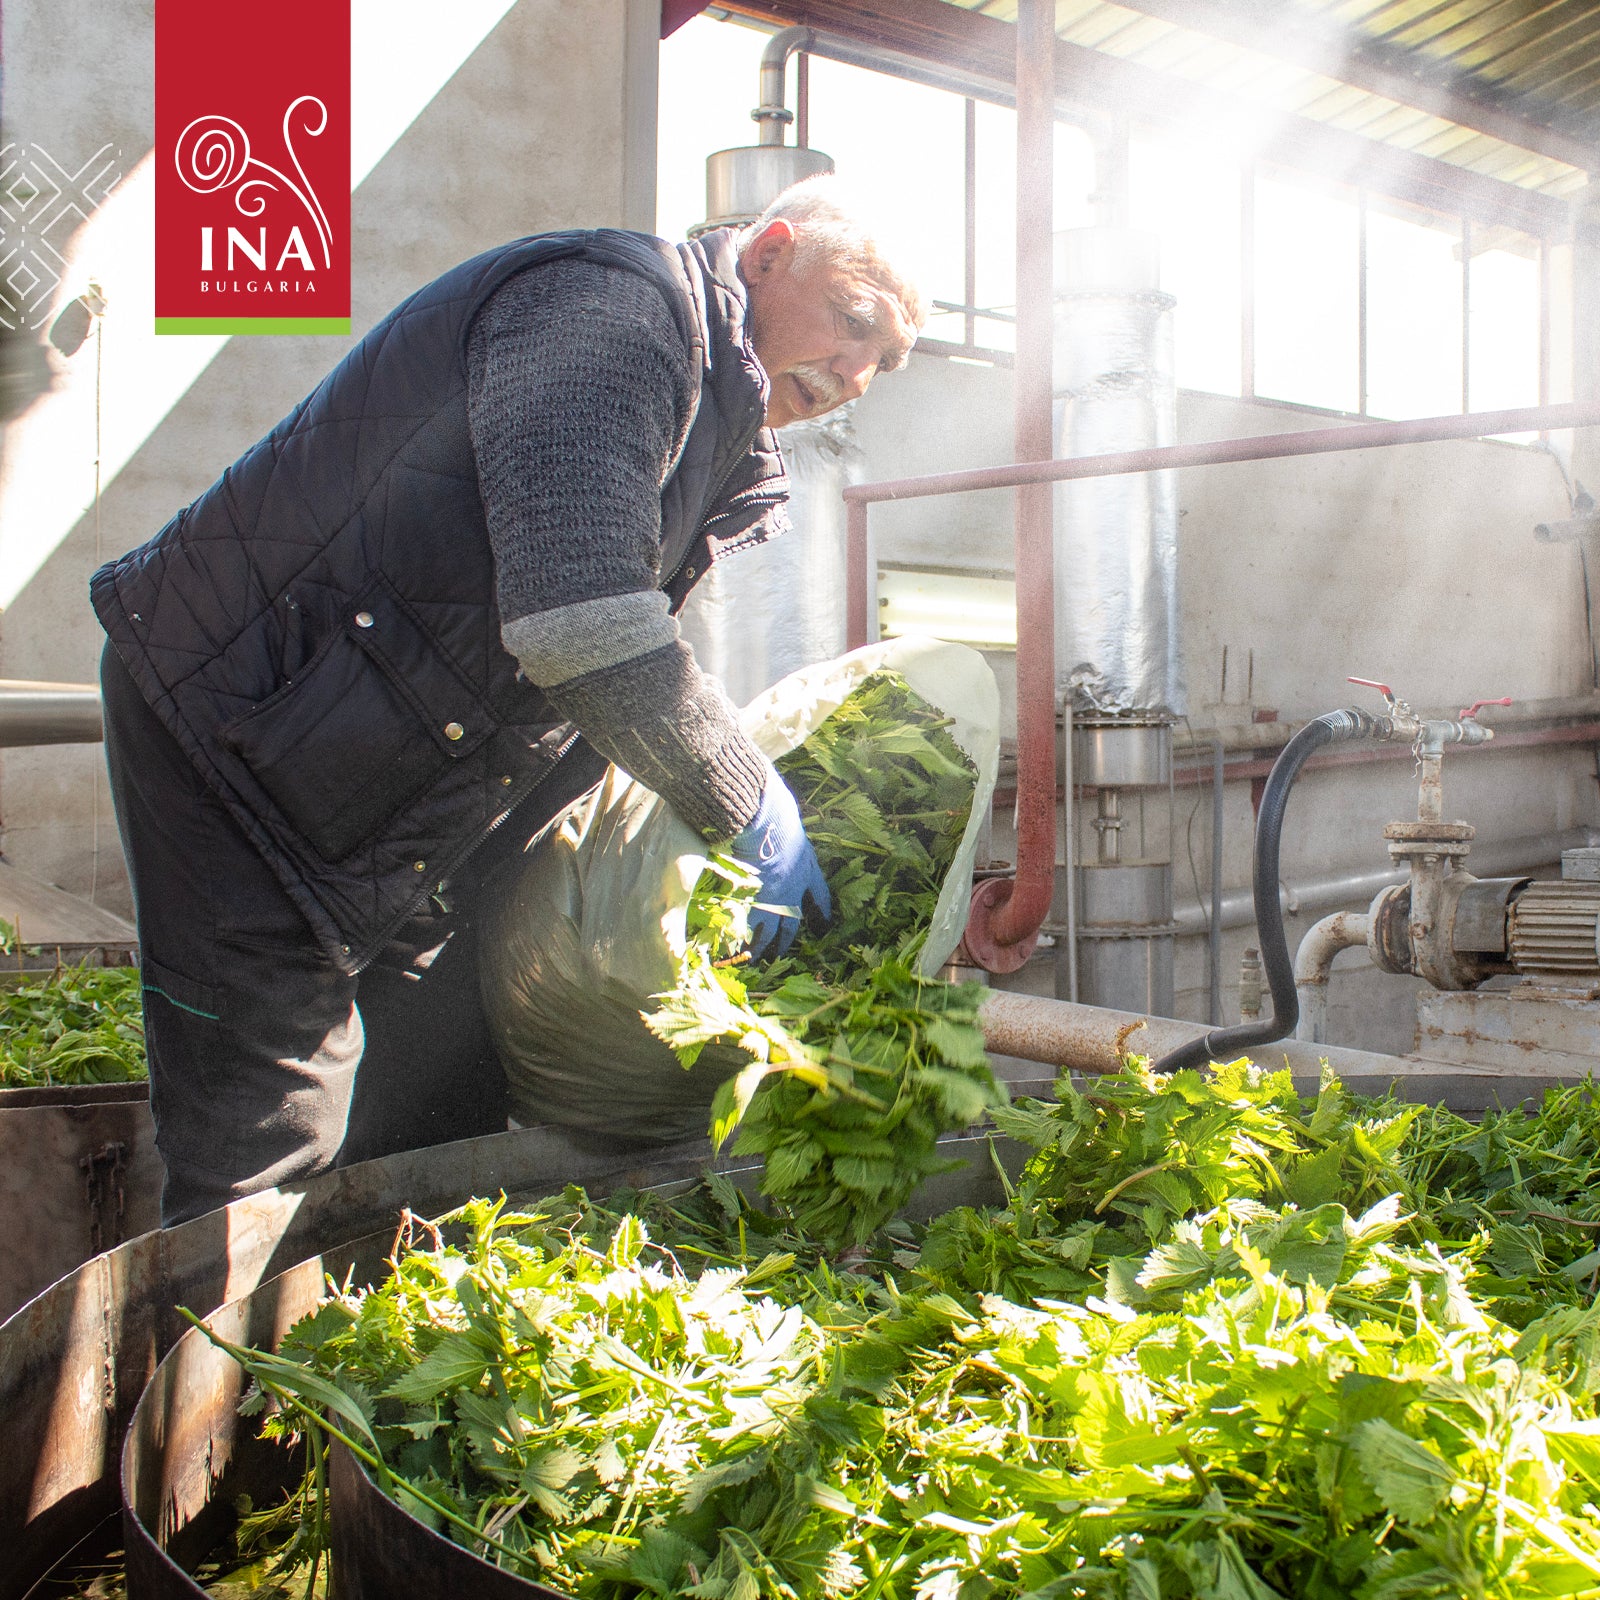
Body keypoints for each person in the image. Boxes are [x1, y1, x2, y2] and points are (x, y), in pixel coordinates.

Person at [91, 176, 925, 1224]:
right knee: (269, 1133)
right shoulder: (619, 311)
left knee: (440, 1092)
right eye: (853, 324)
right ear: (767, 252)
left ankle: (374, 1334)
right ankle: (224, 1372)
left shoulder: (718, 415)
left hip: (375, 750)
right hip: (248, 729)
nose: (854, 373)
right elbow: (581, 618)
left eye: (883, 362)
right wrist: (746, 797)